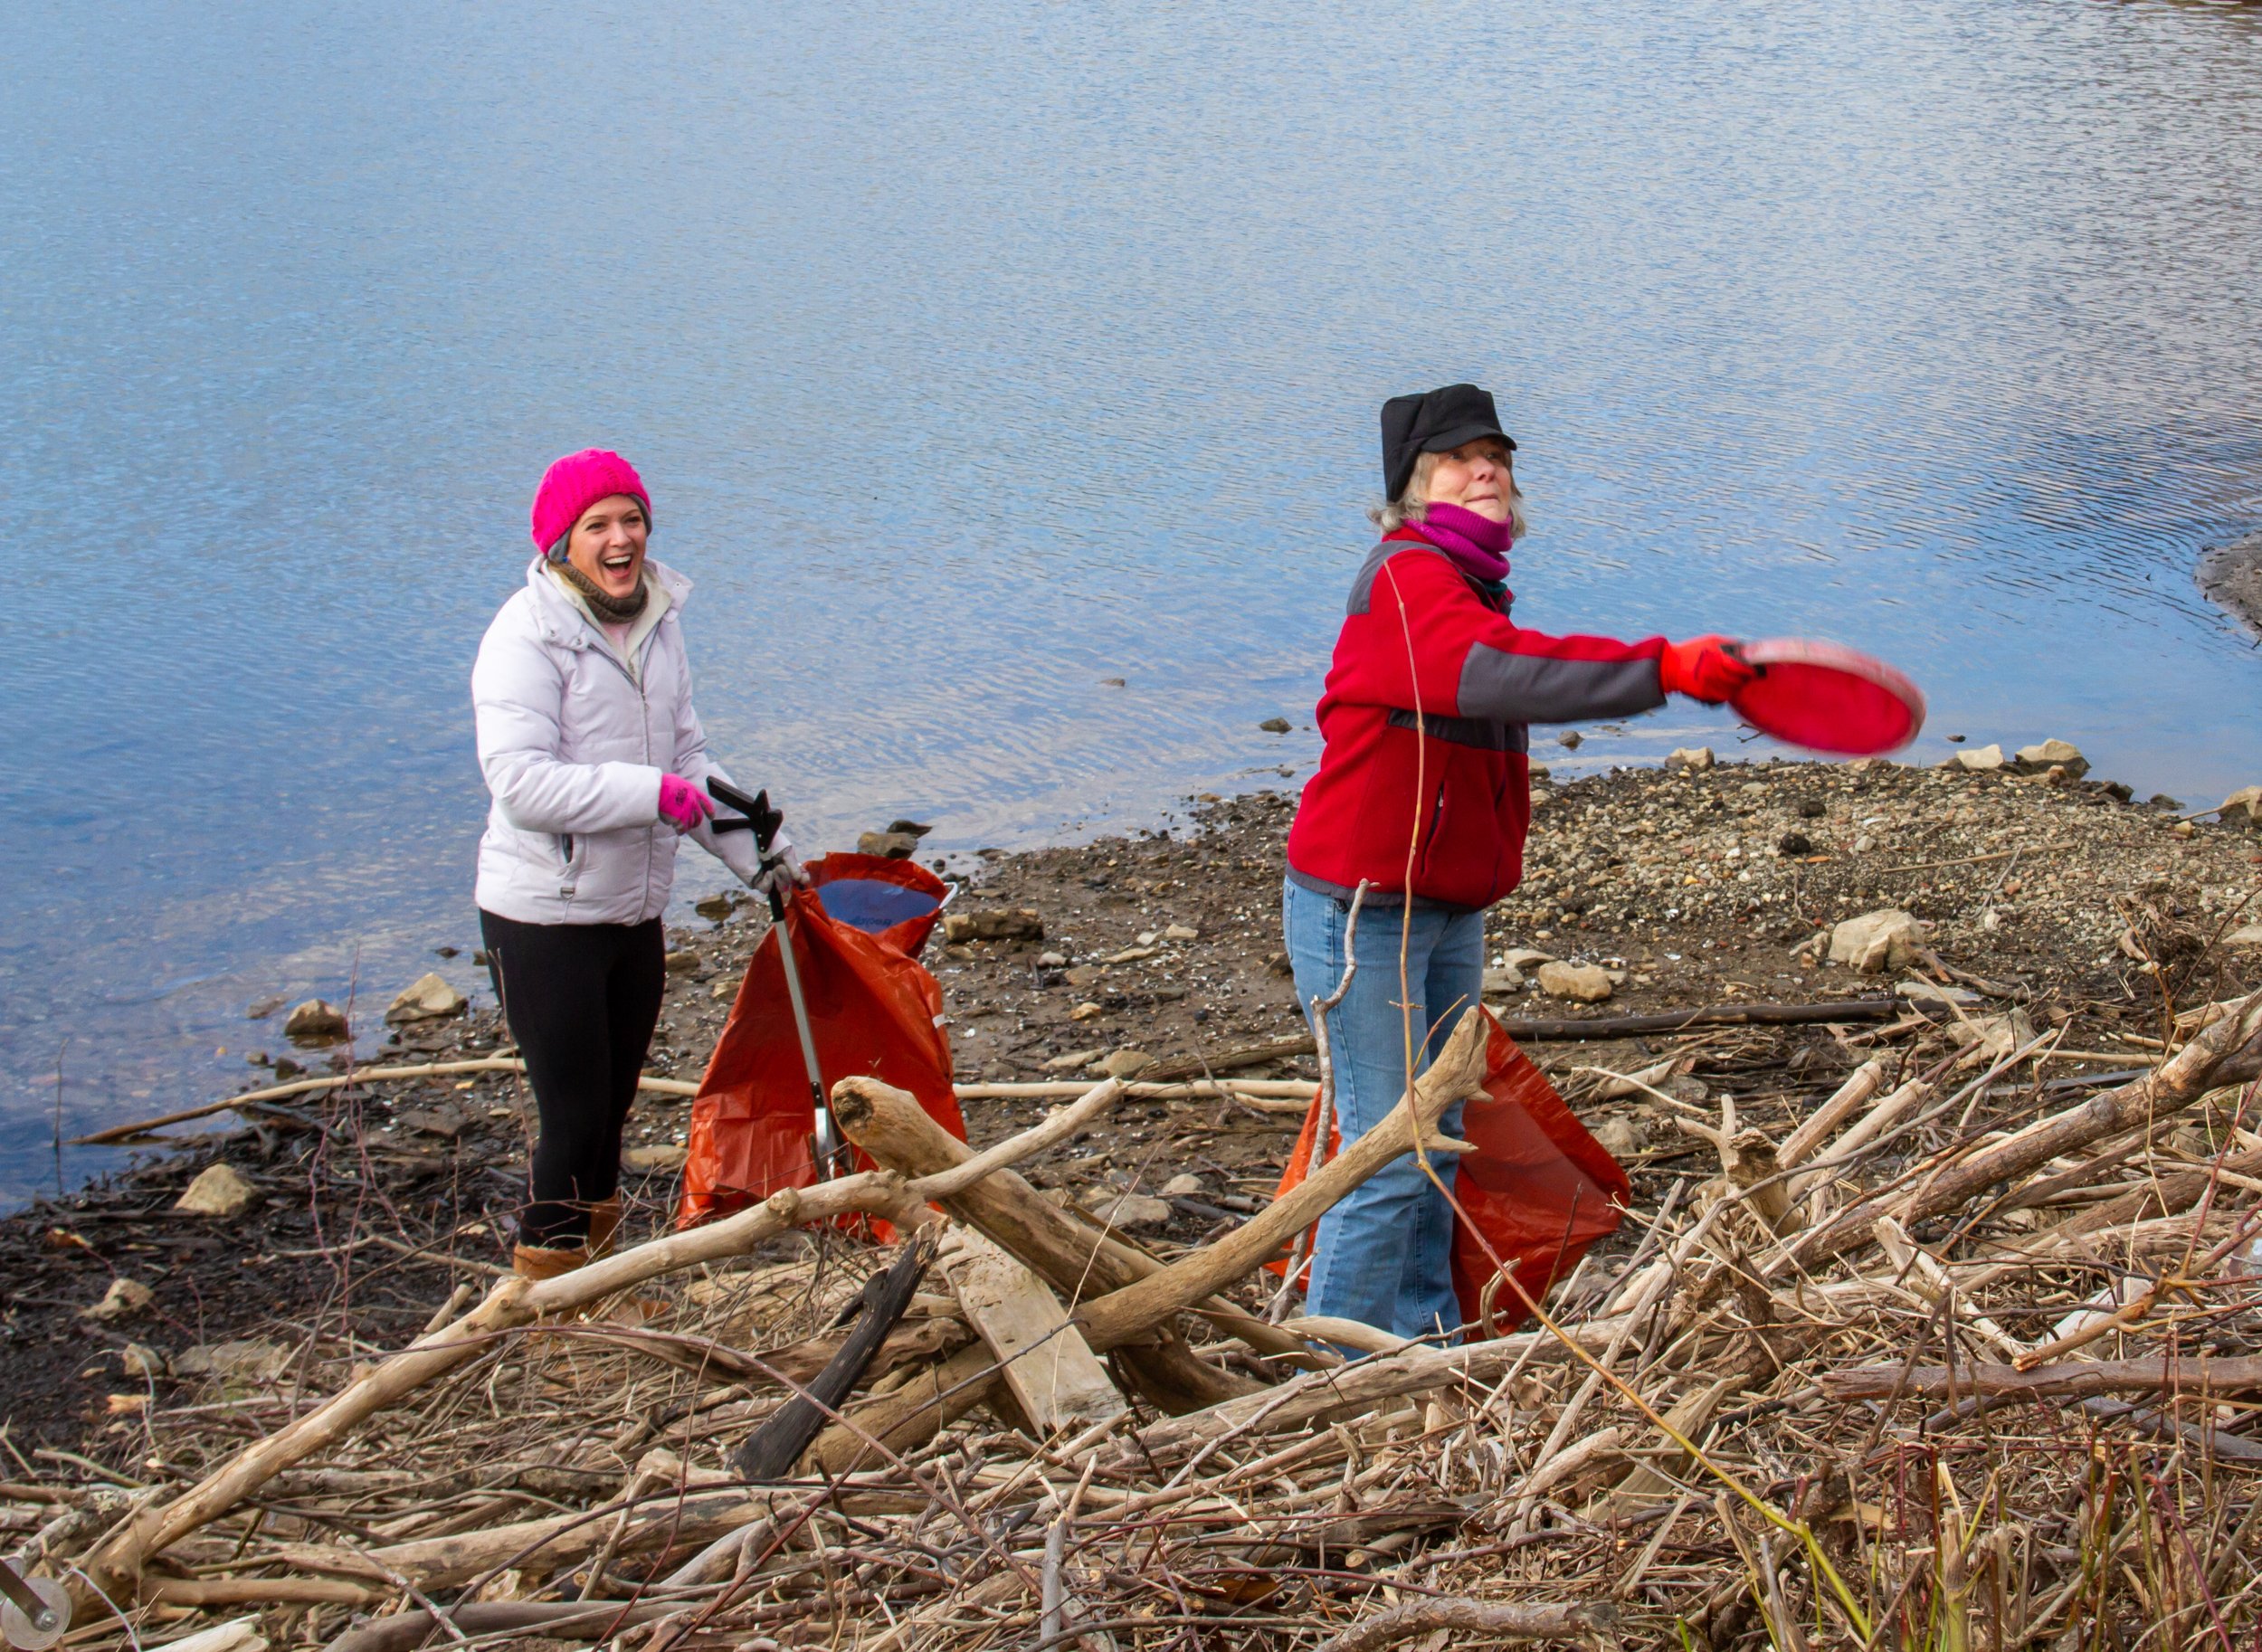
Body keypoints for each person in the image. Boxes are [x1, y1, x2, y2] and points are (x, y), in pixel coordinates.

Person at [1280, 385, 1756, 1339]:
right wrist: (1662, 667)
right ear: (1411, 493)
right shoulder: (1405, 577)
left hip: (1444, 905)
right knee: (1386, 1144)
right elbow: (1499, 672)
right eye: (1455, 458)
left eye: (1494, 451)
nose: (1484, 466)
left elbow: (1509, 656)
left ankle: (1419, 1339)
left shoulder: (1467, 588)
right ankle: (1331, 1365)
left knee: (1440, 1130)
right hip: (1365, 909)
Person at [471, 449, 803, 1280]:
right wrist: (647, 793)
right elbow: (520, 787)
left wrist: (764, 861)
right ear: (561, 544)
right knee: (574, 1115)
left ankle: (599, 1286)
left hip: (631, 910)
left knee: (613, 1107)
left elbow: (687, 758)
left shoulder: (657, 618)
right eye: (598, 526)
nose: (621, 540)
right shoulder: (524, 634)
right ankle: (548, 1306)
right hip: (542, 917)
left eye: (632, 520)